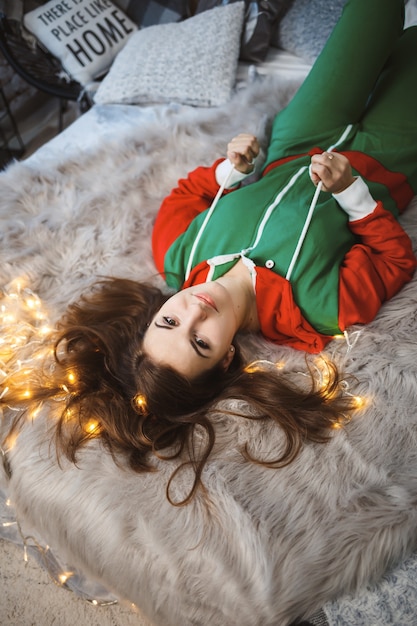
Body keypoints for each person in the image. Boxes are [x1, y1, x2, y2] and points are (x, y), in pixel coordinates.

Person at [2, 0, 417, 504]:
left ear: (154, 317)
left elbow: (188, 195)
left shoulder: (178, 254)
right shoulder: (317, 309)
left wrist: (232, 170)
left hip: (298, 137)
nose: (194, 314)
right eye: (201, 343)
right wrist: (352, 193)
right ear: (224, 362)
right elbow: (394, 259)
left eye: (170, 324)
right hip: (383, 164)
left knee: (372, 14)